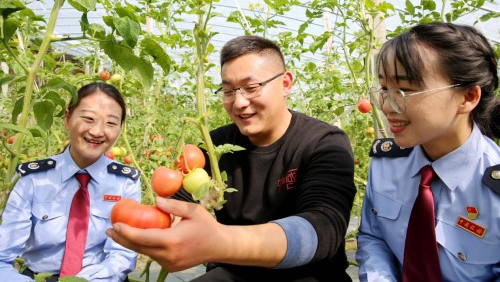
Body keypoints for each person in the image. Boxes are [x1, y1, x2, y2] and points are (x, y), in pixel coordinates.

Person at [106, 35, 357, 281]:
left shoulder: (323, 143)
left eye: (251, 87)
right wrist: (163, 228)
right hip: (235, 272)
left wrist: (220, 242)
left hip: (310, 275)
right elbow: (179, 205)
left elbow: (323, 229)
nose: (238, 102)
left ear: (285, 84)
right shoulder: (214, 147)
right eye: (228, 91)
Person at [356, 22, 500, 281]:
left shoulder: (493, 190)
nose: (386, 106)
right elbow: (374, 236)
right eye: (384, 89)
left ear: (468, 97)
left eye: (404, 91)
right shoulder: (386, 164)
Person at [0, 82, 141, 281]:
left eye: (111, 123)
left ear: (120, 128)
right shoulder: (32, 179)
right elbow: (2, 256)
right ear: (67, 118)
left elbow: (122, 256)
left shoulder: (125, 182)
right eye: (88, 119)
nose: (98, 131)